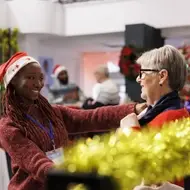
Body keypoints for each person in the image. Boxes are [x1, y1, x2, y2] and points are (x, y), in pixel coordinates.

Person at [0, 52, 146, 190]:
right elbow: (35, 162)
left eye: (41, 78)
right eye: (31, 78)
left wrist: (133, 109)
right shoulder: (8, 126)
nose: (38, 83)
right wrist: (72, 177)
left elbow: (92, 117)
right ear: (13, 82)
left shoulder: (52, 112)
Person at [120, 45, 189, 188]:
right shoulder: (154, 114)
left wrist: (130, 130)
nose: (138, 79)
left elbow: (150, 172)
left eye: (143, 73)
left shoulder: (173, 118)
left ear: (162, 76)